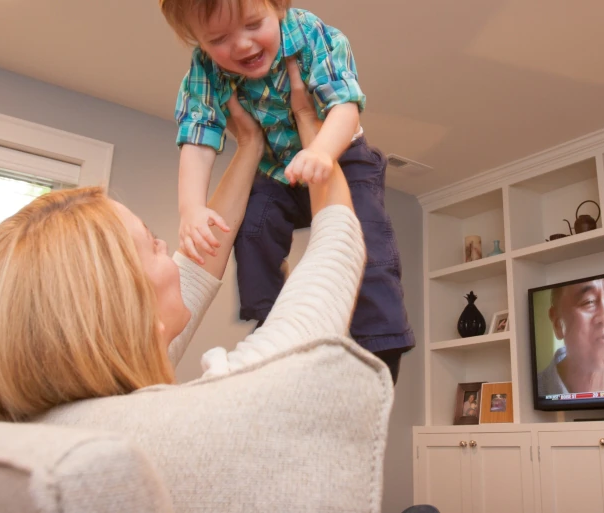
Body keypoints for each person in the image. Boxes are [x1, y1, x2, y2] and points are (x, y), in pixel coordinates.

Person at [0, 58, 361, 423]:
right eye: (154, 244)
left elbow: (196, 266)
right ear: (137, 319)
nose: (171, 250)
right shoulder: (215, 406)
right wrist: (308, 122)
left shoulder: (89, 390)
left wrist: (250, 145)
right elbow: (334, 253)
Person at [158, 0, 414, 382]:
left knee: (365, 243)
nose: (242, 45)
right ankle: (271, 323)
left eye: (253, 24)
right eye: (219, 39)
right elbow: (198, 135)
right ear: (198, 41)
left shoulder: (311, 35)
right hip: (276, 170)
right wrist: (191, 208)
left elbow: (345, 107)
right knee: (252, 233)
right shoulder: (204, 70)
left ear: (277, 5)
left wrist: (322, 152)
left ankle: (381, 339)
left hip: (340, 154)